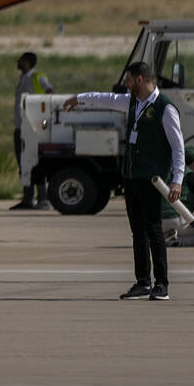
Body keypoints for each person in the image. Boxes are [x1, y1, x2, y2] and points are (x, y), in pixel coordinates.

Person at [62, 62, 183, 301]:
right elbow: (106, 99)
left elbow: (178, 147)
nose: (125, 85)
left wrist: (177, 180)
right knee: (138, 232)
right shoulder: (132, 102)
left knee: (154, 229)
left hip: (152, 179)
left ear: (140, 80)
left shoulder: (165, 108)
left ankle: (162, 284)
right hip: (132, 177)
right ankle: (142, 283)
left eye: (128, 80)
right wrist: (79, 98)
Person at [11, 52, 53, 210]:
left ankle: (43, 199)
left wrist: (42, 116)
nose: (18, 61)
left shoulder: (37, 77)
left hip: (32, 129)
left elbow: (50, 92)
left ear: (27, 62)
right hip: (20, 128)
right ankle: (27, 199)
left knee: (36, 163)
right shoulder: (23, 79)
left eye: (21, 59)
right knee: (24, 165)